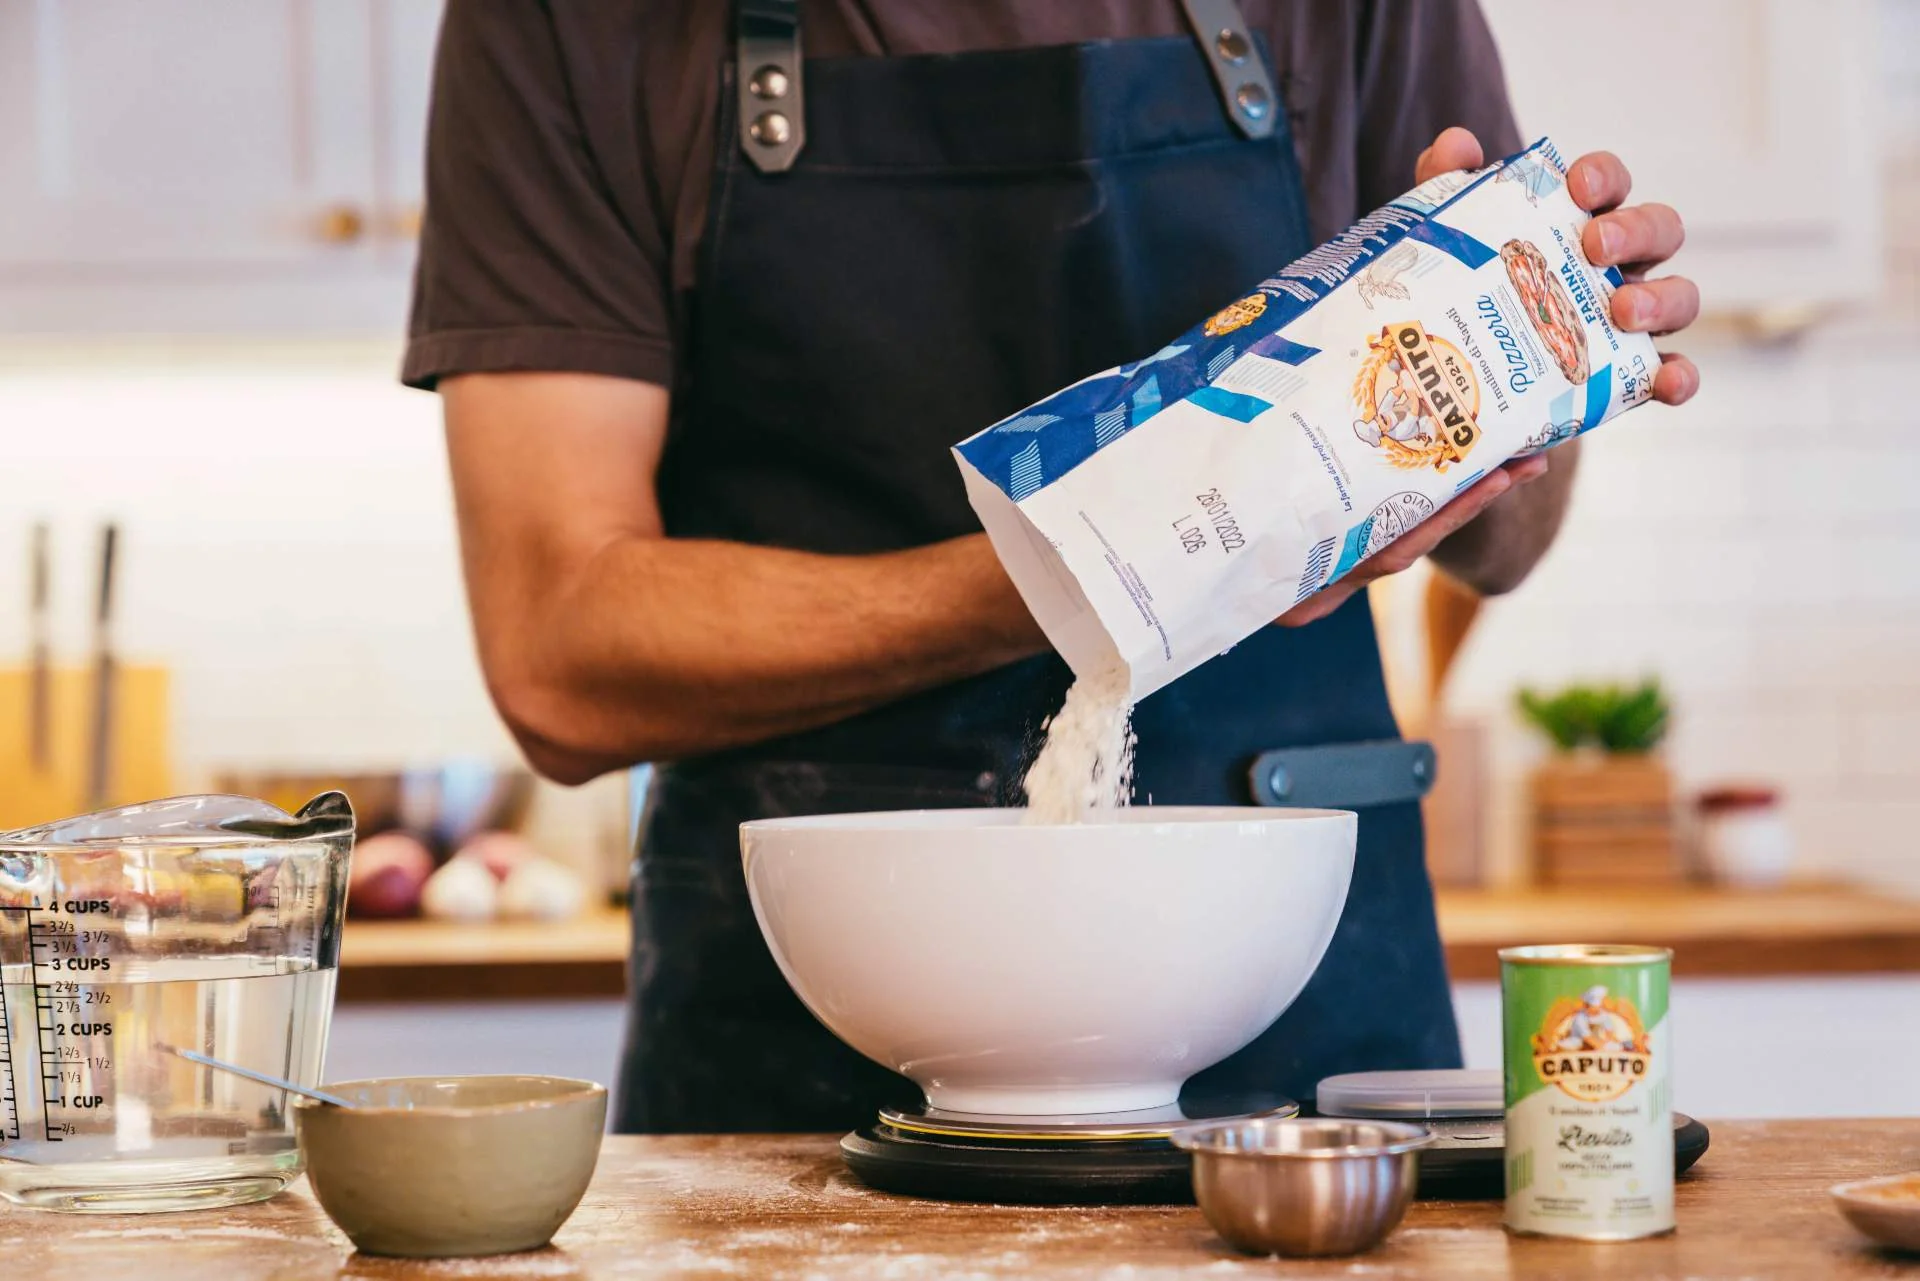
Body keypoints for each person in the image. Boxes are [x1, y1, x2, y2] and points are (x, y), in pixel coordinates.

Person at [404, 1, 1701, 1132]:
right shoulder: (568, 22)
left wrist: (1514, 368)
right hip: (808, 1069)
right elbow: (563, 656)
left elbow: (1512, 540)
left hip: (1309, 1066)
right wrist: (1113, 563)